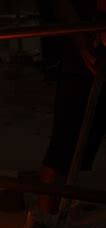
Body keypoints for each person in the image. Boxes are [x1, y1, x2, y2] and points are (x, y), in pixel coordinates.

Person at [39, 0, 106, 213]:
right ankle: (45, 226)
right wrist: (82, 40)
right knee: (63, 151)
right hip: (83, 56)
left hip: (88, 44)